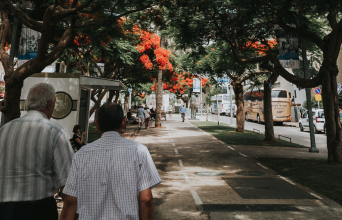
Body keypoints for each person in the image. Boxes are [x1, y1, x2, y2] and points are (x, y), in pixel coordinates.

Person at [61, 103, 161, 220]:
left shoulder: (81, 155)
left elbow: (70, 201)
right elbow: (146, 200)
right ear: (123, 122)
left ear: (97, 124)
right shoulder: (139, 151)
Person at [0, 83, 74, 220]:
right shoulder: (55, 132)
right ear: (50, 104)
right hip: (39, 211)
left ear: (28, 104)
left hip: (4, 210)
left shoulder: (4, 130)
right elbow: (69, 189)